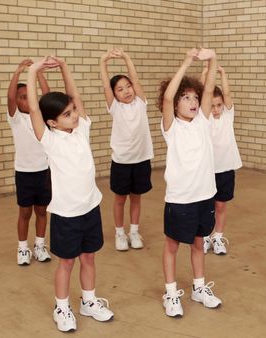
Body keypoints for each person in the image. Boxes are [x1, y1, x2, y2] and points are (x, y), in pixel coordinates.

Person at [26, 56, 114, 332]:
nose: (74, 115)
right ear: (51, 122)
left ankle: (88, 301)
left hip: (90, 208)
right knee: (66, 263)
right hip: (66, 213)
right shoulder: (50, 139)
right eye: (66, 114)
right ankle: (62, 307)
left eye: (73, 110)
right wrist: (32, 71)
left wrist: (64, 68)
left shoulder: (81, 130)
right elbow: (33, 109)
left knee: (89, 257)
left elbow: (73, 95)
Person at [157, 48, 222, 317]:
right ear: (174, 105)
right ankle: (170, 293)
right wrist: (186, 62)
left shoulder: (202, 122)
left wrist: (212, 58)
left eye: (194, 97)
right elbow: (169, 94)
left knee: (199, 244)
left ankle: (198, 287)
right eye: (186, 98)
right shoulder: (171, 127)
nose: (193, 102)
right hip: (180, 198)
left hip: (204, 195)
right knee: (172, 246)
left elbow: (209, 91)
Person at [99, 48, 154, 251]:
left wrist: (126, 57)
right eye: (120, 89)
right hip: (122, 161)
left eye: (128, 86)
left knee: (136, 197)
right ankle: (120, 233)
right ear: (114, 94)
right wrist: (103, 61)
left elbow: (136, 79)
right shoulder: (115, 107)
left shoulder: (140, 102)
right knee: (120, 199)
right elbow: (106, 83)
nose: (127, 91)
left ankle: (134, 231)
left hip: (141, 160)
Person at [6, 58, 52, 266]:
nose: (26, 100)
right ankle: (23, 248)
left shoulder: (40, 115)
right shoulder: (15, 118)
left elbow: (48, 94)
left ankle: (40, 246)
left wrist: (39, 72)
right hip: (24, 173)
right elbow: (10, 96)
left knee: (42, 211)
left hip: (43, 171)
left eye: (28, 97)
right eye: (21, 98)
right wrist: (18, 71)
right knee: (24, 212)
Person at [200, 65, 242, 255]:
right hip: (208, 170)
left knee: (220, 205)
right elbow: (203, 93)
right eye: (212, 105)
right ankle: (206, 236)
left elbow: (227, 93)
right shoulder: (203, 118)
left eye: (219, 105)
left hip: (225, 169)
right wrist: (204, 75)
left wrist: (223, 74)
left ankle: (218, 237)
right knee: (207, 207)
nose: (216, 109)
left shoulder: (228, 115)